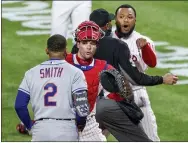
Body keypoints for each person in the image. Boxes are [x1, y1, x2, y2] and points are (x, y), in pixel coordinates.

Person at [71, 9, 178, 141]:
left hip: (84, 106)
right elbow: (134, 78)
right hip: (111, 104)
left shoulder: (78, 47)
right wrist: (161, 79)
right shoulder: (117, 45)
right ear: (107, 26)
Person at [66, 20, 151, 141]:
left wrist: (125, 94)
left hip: (88, 123)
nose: (89, 47)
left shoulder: (104, 67)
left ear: (97, 45)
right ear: (78, 44)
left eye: (93, 43)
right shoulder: (64, 62)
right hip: (64, 121)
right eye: (85, 42)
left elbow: (124, 89)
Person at [14, 34, 89, 141]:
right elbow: (82, 106)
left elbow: (19, 105)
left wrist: (30, 126)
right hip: (67, 129)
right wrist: (80, 125)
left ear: (46, 50)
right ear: (65, 51)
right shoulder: (75, 73)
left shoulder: (31, 73)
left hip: (41, 130)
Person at [112, 4, 160, 141]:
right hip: (109, 94)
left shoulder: (144, 41)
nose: (125, 20)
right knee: (93, 136)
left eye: (129, 17)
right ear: (116, 19)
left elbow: (152, 63)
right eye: (121, 17)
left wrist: (145, 48)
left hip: (137, 93)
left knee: (150, 138)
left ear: (135, 21)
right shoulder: (106, 40)